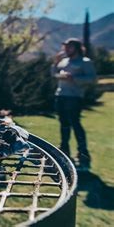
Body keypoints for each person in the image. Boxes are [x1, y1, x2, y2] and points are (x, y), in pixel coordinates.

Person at [51, 38, 96, 170]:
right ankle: (64, 151)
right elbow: (54, 75)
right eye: (65, 47)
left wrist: (74, 78)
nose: (66, 49)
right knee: (63, 124)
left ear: (77, 48)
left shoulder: (85, 62)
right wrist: (55, 62)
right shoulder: (64, 61)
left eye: (69, 47)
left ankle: (83, 155)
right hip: (60, 95)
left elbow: (92, 79)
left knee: (75, 124)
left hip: (74, 97)